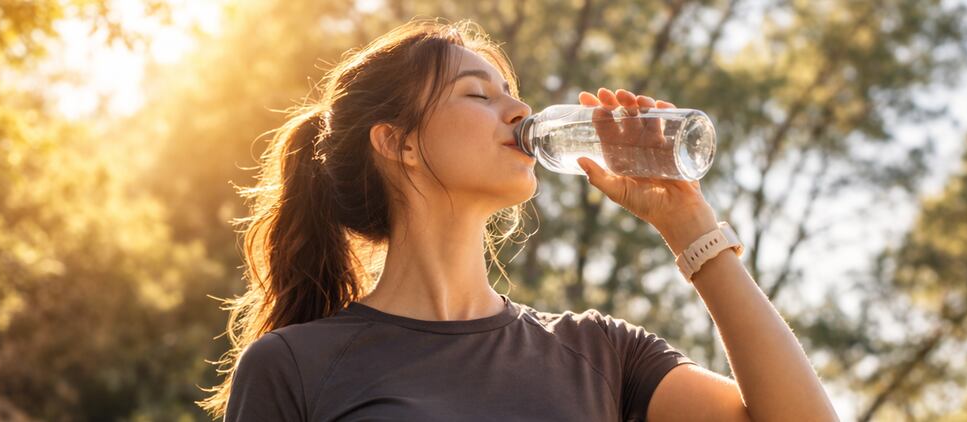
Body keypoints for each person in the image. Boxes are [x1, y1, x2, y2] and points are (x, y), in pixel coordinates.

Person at [199, 18, 838, 422]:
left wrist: (690, 226)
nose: (520, 110)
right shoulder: (293, 366)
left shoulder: (600, 352)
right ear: (398, 143)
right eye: (479, 95)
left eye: (512, 93)